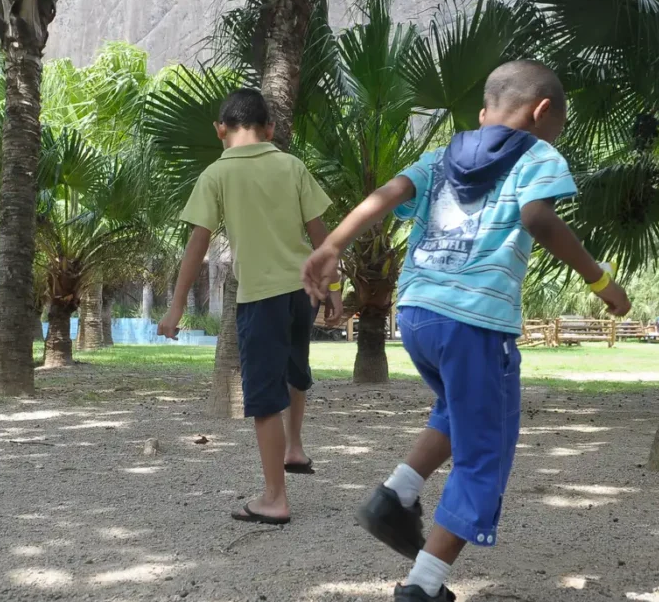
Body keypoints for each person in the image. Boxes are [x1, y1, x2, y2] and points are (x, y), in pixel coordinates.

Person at [301, 60, 631, 602]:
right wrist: (600, 281)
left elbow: (387, 193)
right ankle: (423, 585)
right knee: (486, 452)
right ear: (543, 111)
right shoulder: (538, 154)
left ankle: (396, 497)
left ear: (484, 113)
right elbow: (539, 220)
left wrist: (333, 243)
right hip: (475, 322)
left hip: (418, 314)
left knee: (456, 411)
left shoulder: (442, 154)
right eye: (559, 125)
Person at [158, 88, 343, 524]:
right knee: (295, 371)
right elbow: (322, 235)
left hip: (260, 297)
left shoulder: (216, 175)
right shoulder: (292, 165)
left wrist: (177, 305)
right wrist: (333, 286)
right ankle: (294, 448)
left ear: (220, 130)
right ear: (271, 129)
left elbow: (196, 244)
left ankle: (275, 498)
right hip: (304, 292)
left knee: (263, 398)